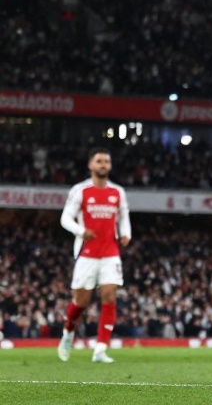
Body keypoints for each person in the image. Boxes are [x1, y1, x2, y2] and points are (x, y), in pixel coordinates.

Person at [58, 147, 132, 363]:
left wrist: (126, 234)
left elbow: (124, 216)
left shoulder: (117, 192)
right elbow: (65, 218)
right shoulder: (81, 190)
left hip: (110, 253)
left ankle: (100, 349)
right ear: (90, 165)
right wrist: (81, 231)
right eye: (99, 161)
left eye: (106, 161)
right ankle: (68, 332)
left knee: (109, 295)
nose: (103, 165)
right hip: (87, 253)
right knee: (81, 302)